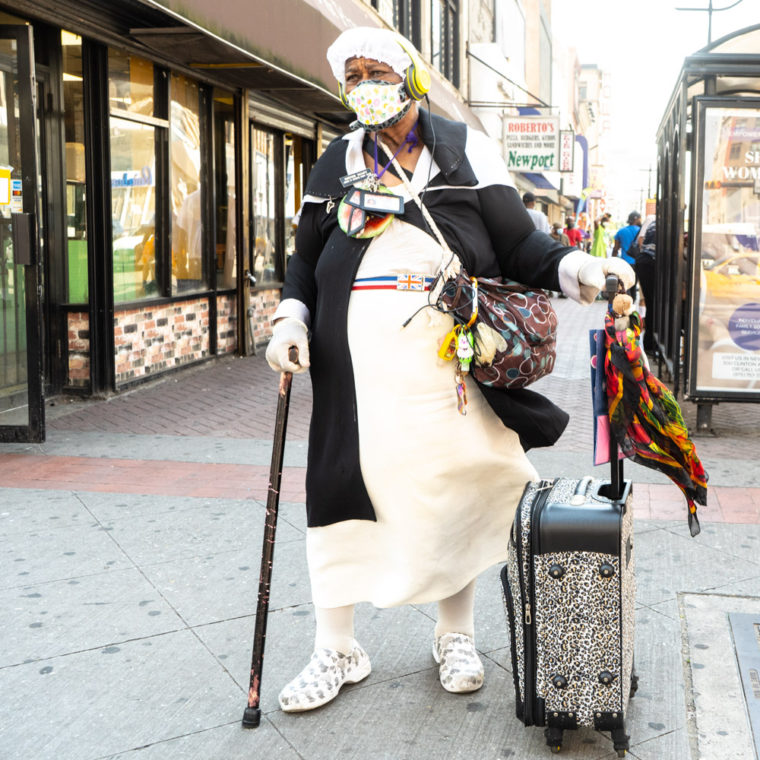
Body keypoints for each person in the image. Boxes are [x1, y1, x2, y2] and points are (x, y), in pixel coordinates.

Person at [265, 26, 635, 714]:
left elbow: (522, 245)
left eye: (377, 72)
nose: (364, 87)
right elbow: (304, 262)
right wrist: (290, 319)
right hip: (350, 380)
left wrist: (584, 269)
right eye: (353, 77)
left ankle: (455, 634)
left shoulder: (464, 150)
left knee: (452, 488)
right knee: (340, 492)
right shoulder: (337, 160)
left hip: (445, 372)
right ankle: (336, 646)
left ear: (410, 78)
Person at [633, 215, 657, 354]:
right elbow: (640, 241)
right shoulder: (654, 220)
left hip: (644, 262)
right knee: (653, 303)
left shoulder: (654, 222)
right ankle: (649, 344)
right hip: (649, 263)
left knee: (651, 302)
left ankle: (649, 342)